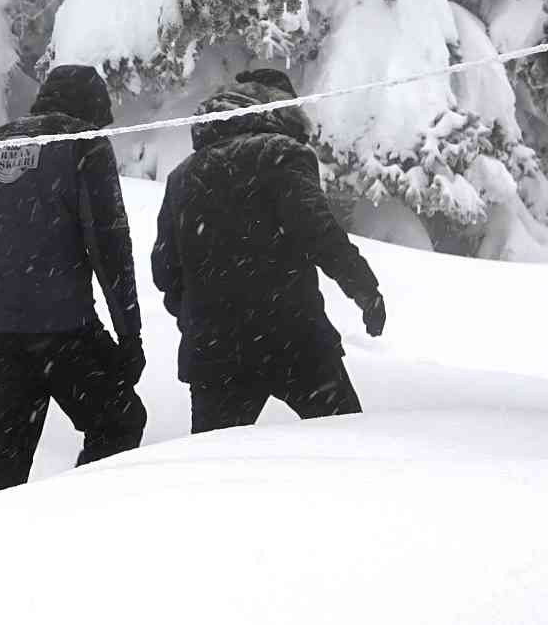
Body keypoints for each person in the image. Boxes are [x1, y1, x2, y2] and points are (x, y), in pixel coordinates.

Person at [0, 65, 147, 502]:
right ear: (93, 111)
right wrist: (129, 335)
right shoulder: (82, 144)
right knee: (118, 422)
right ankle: (76, 521)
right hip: (63, 332)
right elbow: (109, 248)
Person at [152, 69, 386, 434]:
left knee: (213, 468)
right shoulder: (282, 154)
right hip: (293, 338)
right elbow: (319, 232)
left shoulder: (183, 175)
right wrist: (365, 289)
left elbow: (164, 271)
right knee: (347, 445)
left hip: (215, 351)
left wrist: (201, 316)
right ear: (282, 110)